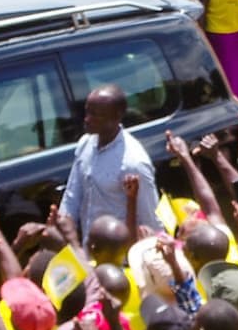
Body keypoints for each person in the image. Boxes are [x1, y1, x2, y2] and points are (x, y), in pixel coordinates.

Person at [61, 84, 168, 237]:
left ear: (117, 116)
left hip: (120, 256)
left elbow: (150, 219)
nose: (87, 119)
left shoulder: (133, 163)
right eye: (87, 112)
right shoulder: (85, 144)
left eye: (95, 114)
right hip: (90, 251)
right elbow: (71, 198)